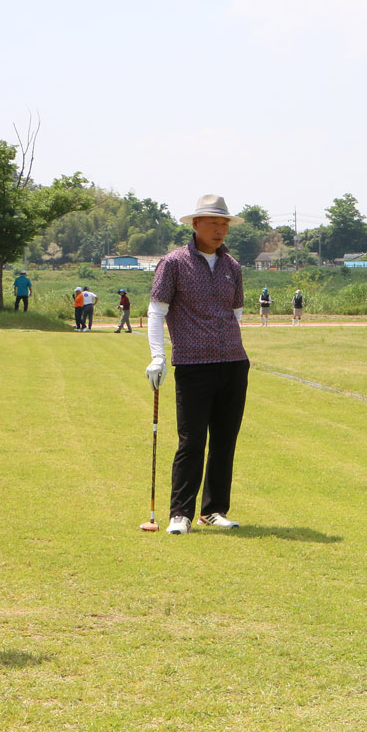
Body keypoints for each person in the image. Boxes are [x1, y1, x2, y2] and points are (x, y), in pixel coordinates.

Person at [145, 194, 248, 535]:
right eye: (213, 223)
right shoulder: (174, 263)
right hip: (193, 364)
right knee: (191, 441)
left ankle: (214, 509)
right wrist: (158, 356)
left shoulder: (232, 266)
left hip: (233, 362)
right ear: (196, 224)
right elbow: (157, 311)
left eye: (224, 224)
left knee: (225, 440)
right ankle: (180, 513)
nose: (220, 230)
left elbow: (236, 313)